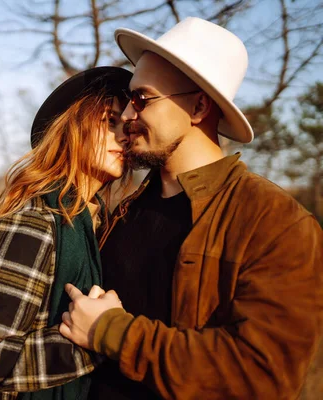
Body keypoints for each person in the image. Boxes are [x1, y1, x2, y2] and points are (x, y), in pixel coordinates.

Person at [59, 17, 323, 399]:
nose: (129, 116)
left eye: (142, 98)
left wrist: (112, 332)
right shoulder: (121, 210)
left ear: (199, 106)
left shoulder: (277, 222)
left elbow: (262, 375)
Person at [0, 66, 133, 399]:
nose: (123, 137)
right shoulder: (33, 224)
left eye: (126, 126)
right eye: (108, 122)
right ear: (72, 129)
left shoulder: (99, 224)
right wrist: (98, 340)